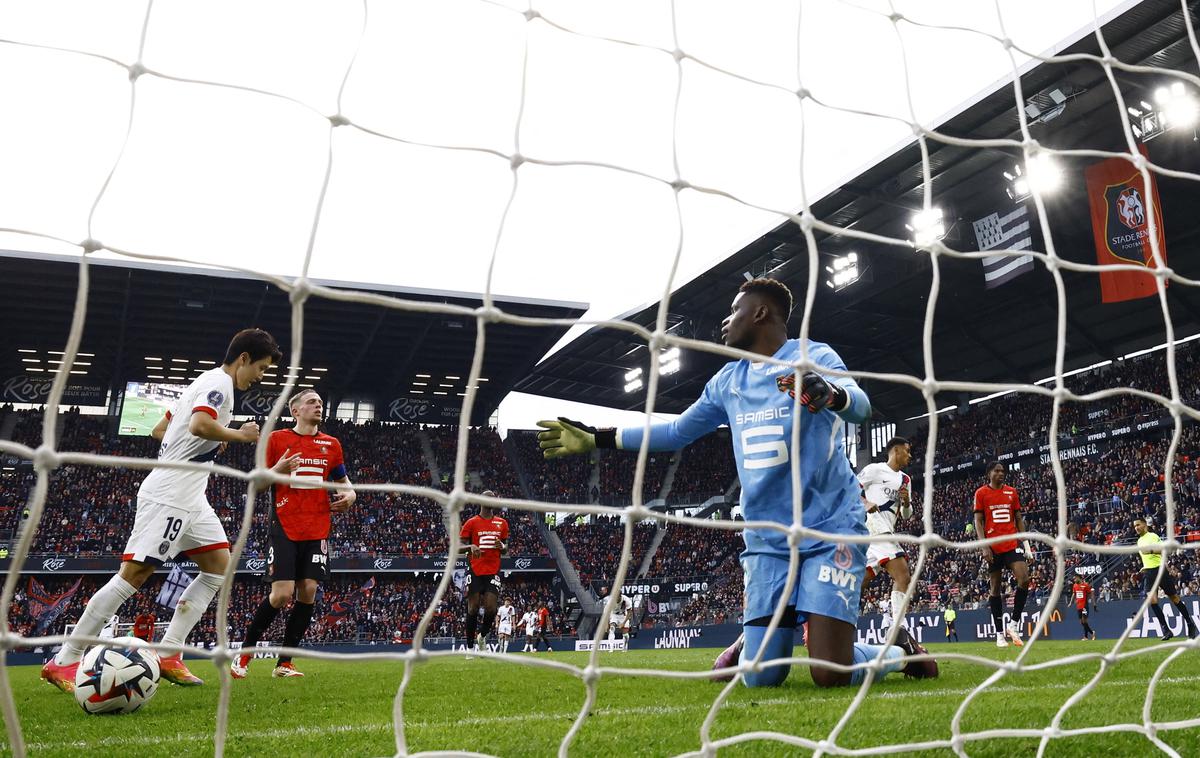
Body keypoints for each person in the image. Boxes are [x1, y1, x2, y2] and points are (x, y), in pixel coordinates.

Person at [537, 278, 935, 687]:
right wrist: (598, 438)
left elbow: (861, 408)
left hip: (829, 531)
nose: (725, 323)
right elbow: (676, 431)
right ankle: (751, 644)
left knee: (830, 673)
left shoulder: (812, 356)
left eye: (734, 312)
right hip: (767, 542)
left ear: (760, 313)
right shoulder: (728, 381)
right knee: (761, 680)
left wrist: (831, 395)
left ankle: (900, 650)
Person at [41, 328, 281, 692]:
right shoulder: (220, 386)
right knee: (133, 576)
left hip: (191, 495)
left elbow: (158, 429)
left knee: (218, 567)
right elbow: (201, 425)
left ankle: (169, 654)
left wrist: (196, 441)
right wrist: (239, 434)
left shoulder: (202, 383)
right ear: (244, 358)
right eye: (261, 368)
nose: (261, 377)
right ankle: (65, 660)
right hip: (170, 495)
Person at [231, 389, 355, 679]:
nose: (319, 406)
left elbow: (346, 484)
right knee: (281, 595)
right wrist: (279, 468)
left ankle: (285, 663)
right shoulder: (277, 440)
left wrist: (351, 496)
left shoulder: (331, 444)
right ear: (295, 410)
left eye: (321, 403)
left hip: (318, 526)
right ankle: (244, 655)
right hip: (285, 525)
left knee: (309, 590)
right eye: (312, 402)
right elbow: (257, 485)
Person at [858, 437, 915, 629]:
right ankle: (899, 629)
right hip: (875, 528)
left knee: (859, 582)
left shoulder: (906, 480)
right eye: (907, 451)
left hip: (885, 531)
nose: (910, 455)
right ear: (896, 451)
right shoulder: (874, 470)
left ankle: (835, 618)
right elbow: (850, 488)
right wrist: (866, 503)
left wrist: (906, 503)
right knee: (903, 576)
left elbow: (907, 515)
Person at [973, 462, 1031, 648]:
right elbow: (978, 522)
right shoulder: (981, 493)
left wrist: (1027, 545)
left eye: (1002, 471)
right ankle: (999, 634)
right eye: (997, 471)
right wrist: (984, 546)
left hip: (1012, 543)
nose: (1000, 473)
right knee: (995, 588)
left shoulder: (1011, 492)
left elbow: (1019, 518)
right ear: (989, 473)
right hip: (993, 547)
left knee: (1024, 579)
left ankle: (1013, 626)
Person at [1133, 518, 1198, 640]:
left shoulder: (1152, 536)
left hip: (1160, 570)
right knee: (1152, 601)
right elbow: (1147, 558)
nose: (1136, 527)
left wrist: (1150, 550)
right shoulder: (1139, 541)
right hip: (1148, 573)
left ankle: (1190, 624)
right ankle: (1166, 630)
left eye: (1138, 525)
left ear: (1144, 525)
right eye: (1134, 526)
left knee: (1174, 598)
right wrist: (1144, 567)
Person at [459, 494, 508, 653]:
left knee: (492, 609)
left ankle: (482, 635)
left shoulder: (502, 523)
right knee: (472, 608)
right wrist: (470, 547)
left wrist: (502, 545)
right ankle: (469, 647)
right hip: (475, 568)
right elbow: (458, 546)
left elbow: (505, 548)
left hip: (493, 570)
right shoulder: (471, 523)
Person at [1071, 576, 1097, 641]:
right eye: (1074, 579)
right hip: (1078, 606)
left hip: (1084, 605)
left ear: (1079, 578)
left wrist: (1094, 604)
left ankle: (1085, 637)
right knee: (1081, 622)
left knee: (1084, 620)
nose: (1074, 580)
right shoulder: (1075, 586)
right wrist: (1070, 602)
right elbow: (1074, 594)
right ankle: (1092, 632)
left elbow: (1090, 594)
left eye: (1075, 578)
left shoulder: (1085, 585)